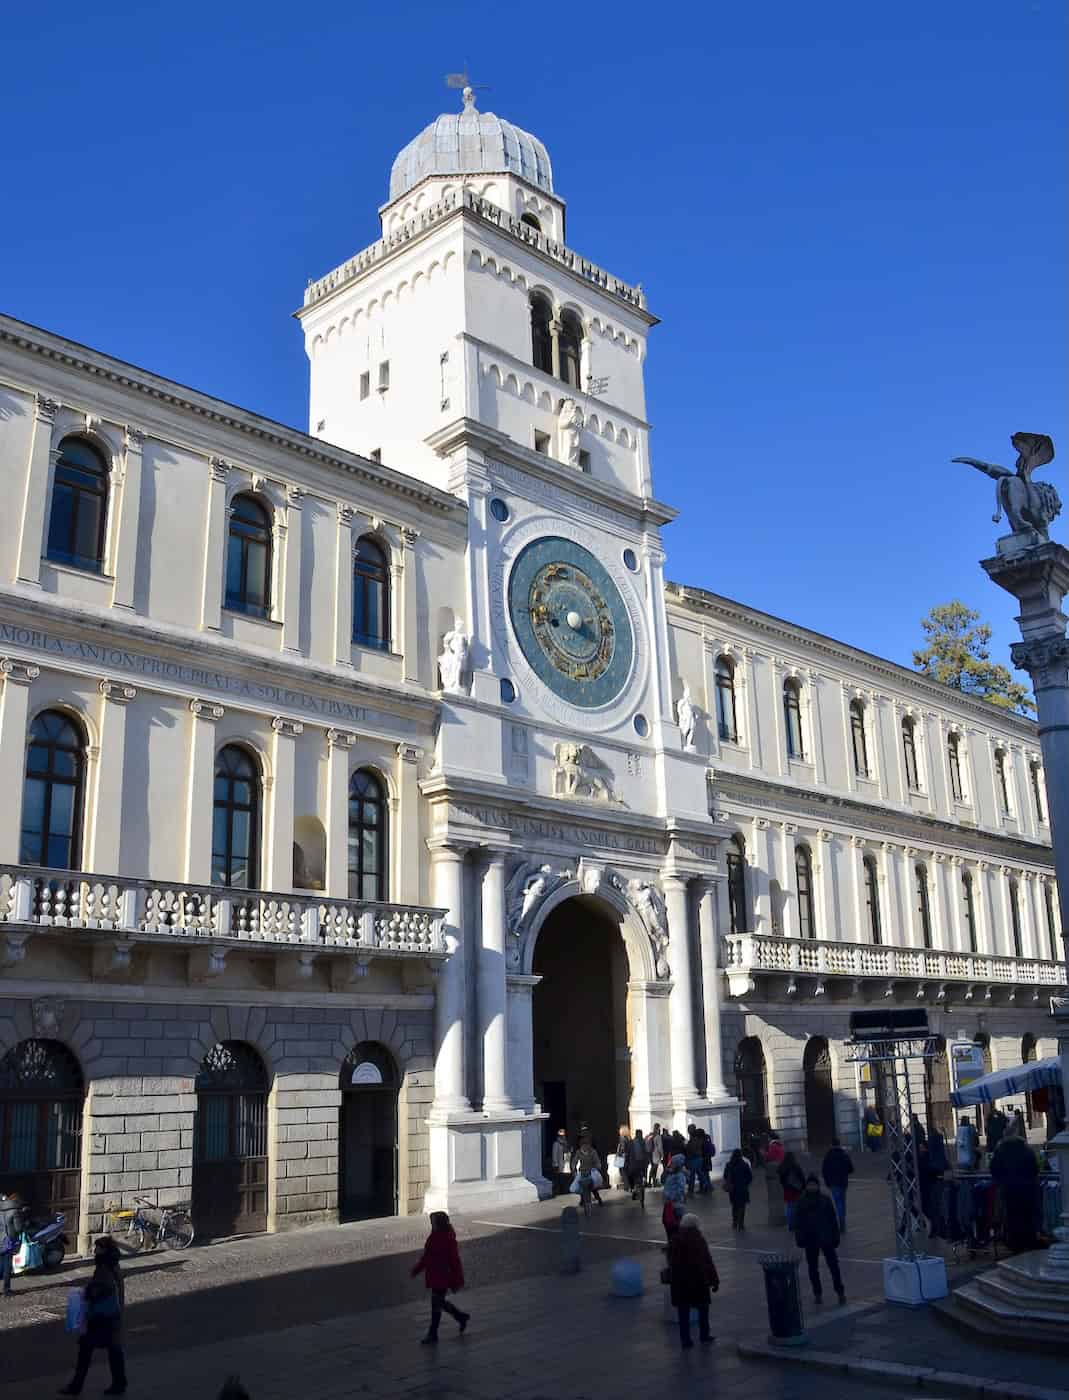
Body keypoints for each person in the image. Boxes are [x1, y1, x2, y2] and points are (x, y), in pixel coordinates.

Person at [59, 1236, 127, 1396]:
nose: (93, 1250)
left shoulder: (104, 1267)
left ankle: (76, 1387)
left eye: (96, 1247)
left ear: (103, 1249)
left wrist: (88, 1293)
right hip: (113, 1315)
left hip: (101, 1318)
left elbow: (103, 1288)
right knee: (114, 1350)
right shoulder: (113, 1264)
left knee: (86, 1350)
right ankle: (119, 1383)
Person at [411, 1211, 470, 1344]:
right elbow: (427, 1257)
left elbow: (454, 1260)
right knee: (438, 1303)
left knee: (436, 1305)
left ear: (438, 1223)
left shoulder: (446, 1238)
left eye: (433, 1222)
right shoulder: (435, 1236)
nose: (431, 1224)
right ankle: (460, 1317)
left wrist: (457, 1277)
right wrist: (417, 1269)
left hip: (442, 1276)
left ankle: (433, 1334)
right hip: (436, 1275)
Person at [667, 1214, 719, 1349]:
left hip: (681, 1283)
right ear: (696, 1225)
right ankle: (704, 1335)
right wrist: (714, 1280)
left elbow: (672, 1263)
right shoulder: (699, 1239)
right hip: (699, 1281)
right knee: (703, 1309)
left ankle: (686, 1340)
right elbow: (707, 1261)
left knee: (683, 1313)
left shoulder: (675, 1240)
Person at [793, 1175, 845, 1306]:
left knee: (833, 1266)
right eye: (810, 1184)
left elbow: (832, 1219)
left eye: (814, 1184)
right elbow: (798, 1223)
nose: (812, 1187)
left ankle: (840, 1291)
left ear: (818, 1185)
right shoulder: (802, 1202)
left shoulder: (825, 1200)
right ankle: (817, 1293)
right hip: (810, 1240)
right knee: (813, 1268)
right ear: (807, 1186)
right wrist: (799, 1238)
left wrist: (835, 1237)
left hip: (826, 1238)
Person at [991, 1132, 1040, 1253]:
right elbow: (1035, 1168)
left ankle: (1015, 1243)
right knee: (1028, 1215)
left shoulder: (1000, 1150)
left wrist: (1002, 1180)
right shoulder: (1027, 1150)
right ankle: (1030, 1240)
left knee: (1013, 1216)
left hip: (1009, 1188)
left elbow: (994, 1169)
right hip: (1027, 1188)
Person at [821, 1139, 855, 1231]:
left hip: (832, 1183)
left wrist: (827, 1181)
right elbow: (851, 1169)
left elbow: (824, 1171)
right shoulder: (844, 1155)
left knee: (837, 1202)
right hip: (843, 1182)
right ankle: (842, 1220)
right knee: (842, 1202)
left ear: (831, 1145)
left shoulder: (828, 1156)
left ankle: (840, 1220)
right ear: (839, 1145)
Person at [723, 1147, 753, 1230]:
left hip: (732, 1189)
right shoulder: (744, 1165)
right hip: (742, 1188)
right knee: (742, 1206)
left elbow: (725, 1176)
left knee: (734, 1206)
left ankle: (734, 1222)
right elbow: (750, 1177)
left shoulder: (729, 1164)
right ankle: (741, 1224)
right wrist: (746, 1183)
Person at [572, 1134, 604, 1212]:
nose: (585, 1147)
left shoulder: (593, 1152)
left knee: (593, 1188)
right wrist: (574, 1169)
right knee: (582, 1187)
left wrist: (597, 1167)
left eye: (586, 1145)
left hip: (591, 1172)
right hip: (582, 1172)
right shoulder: (579, 1152)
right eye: (583, 1145)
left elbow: (597, 1162)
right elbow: (574, 1162)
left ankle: (598, 1199)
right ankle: (583, 1201)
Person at [0, 1190, 22, 1299]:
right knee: (7, 1266)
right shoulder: (15, 1211)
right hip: (8, 1242)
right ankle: (6, 1290)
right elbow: (18, 1228)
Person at [778, 1150, 806, 1229]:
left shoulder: (782, 1166)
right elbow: (801, 1177)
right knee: (796, 1206)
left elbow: (781, 1179)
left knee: (789, 1207)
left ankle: (790, 1224)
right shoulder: (796, 1166)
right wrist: (803, 1186)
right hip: (796, 1189)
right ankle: (796, 1223)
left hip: (787, 1189)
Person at [662, 1154, 687, 1240]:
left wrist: (671, 1197)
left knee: (674, 1224)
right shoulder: (671, 1174)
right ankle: (671, 1242)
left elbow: (681, 1189)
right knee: (667, 1222)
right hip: (669, 1203)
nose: (670, 1164)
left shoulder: (680, 1175)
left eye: (672, 1163)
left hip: (676, 1204)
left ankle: (675, 1243)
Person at [626, 1127, 649, 1205]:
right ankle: (639, 1191)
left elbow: (627, 1153)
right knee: (640, 1179)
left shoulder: (631, 1142)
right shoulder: (643, 1142)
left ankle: (634, 1190)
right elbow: (646, 1153)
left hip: (634, 1165)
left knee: (633, 1178)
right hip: (641, 1165)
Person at [550, 1127, 572, 1196]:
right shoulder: (556, 1144)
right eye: (562, 1136)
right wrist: (555, 1164)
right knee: (559, 1179)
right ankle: (558, 1191)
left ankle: (565, 1190)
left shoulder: (566, 1143)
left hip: (566, 1163)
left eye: (564, 1135)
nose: (563, 1136)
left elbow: (568, 1152)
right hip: (560, 1164)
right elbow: (554, 1154)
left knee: (566, 1178)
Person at [685, 1125, 704, 1197]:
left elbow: (693, 1148)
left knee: (692, 1175)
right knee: (699, 1173)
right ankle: (704, 1186)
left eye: (689, 1129)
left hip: (695, 1158)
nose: (688, 1131)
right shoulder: (697, 1137)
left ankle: (691, 1190)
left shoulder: (694, 1137)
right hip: (697, 1157)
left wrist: (687, 1146)